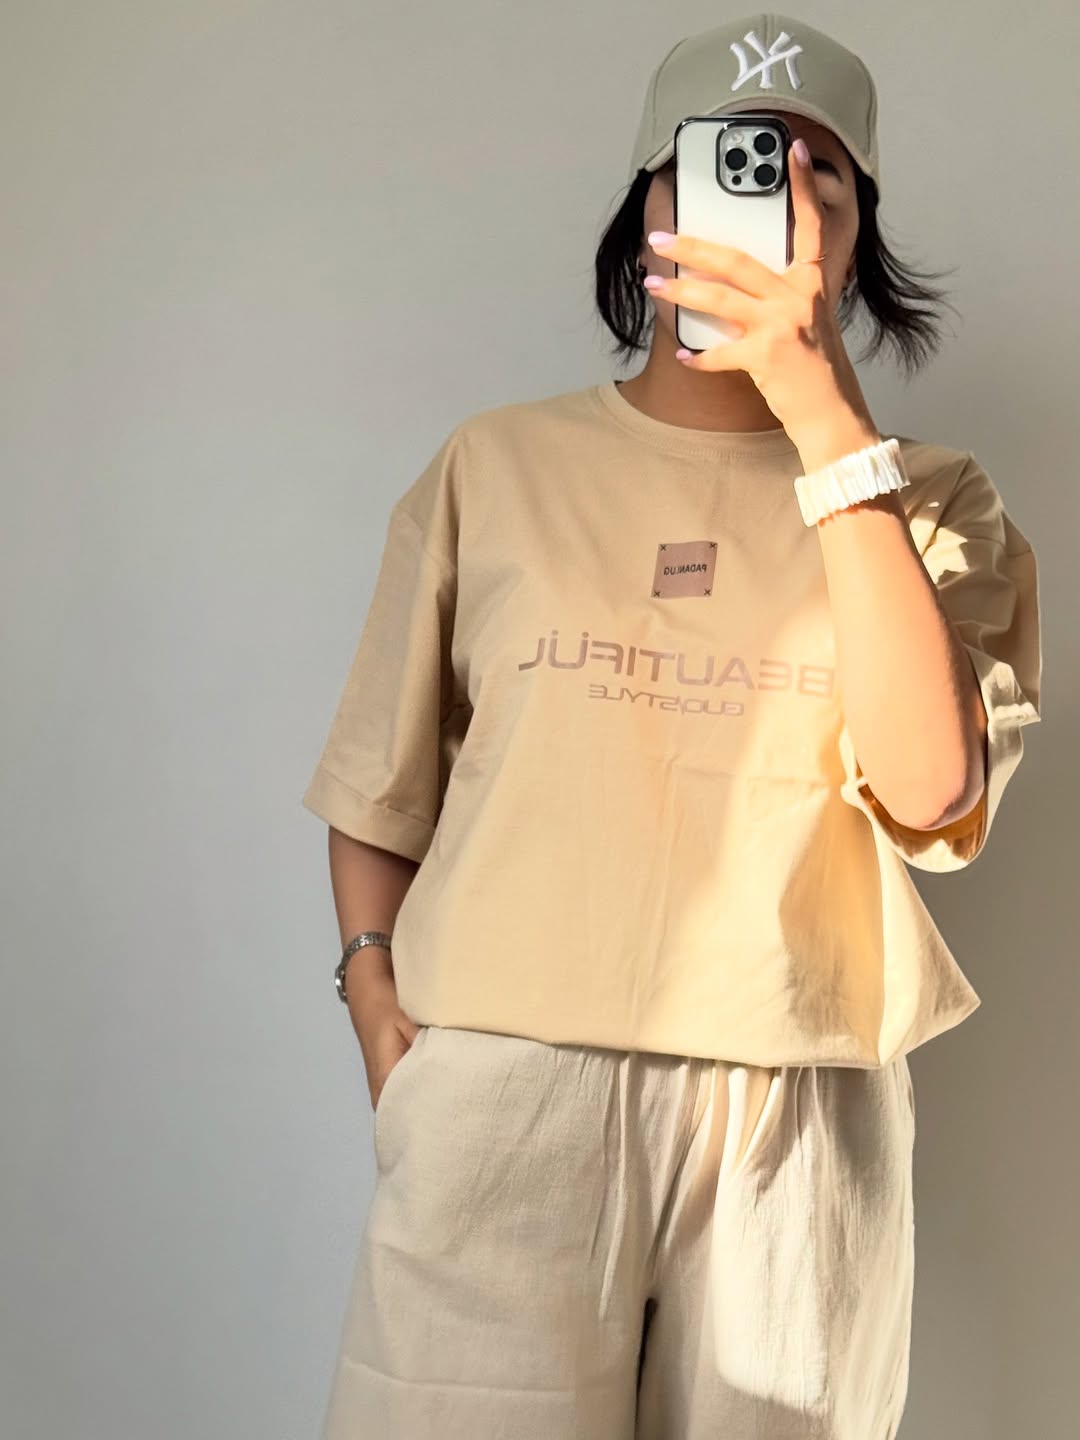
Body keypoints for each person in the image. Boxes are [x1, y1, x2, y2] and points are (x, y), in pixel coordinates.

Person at [301, 14, 1042, 1439]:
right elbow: (379, 785)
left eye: (820, 177)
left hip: (796, 1113)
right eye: (719, 165)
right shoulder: (495, 467)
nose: (775, 199)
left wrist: (830, 428)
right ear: (646, 212)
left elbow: (933, 789)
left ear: (856, 238)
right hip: (502, 1088)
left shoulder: (936, 499)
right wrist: (380, 1013)